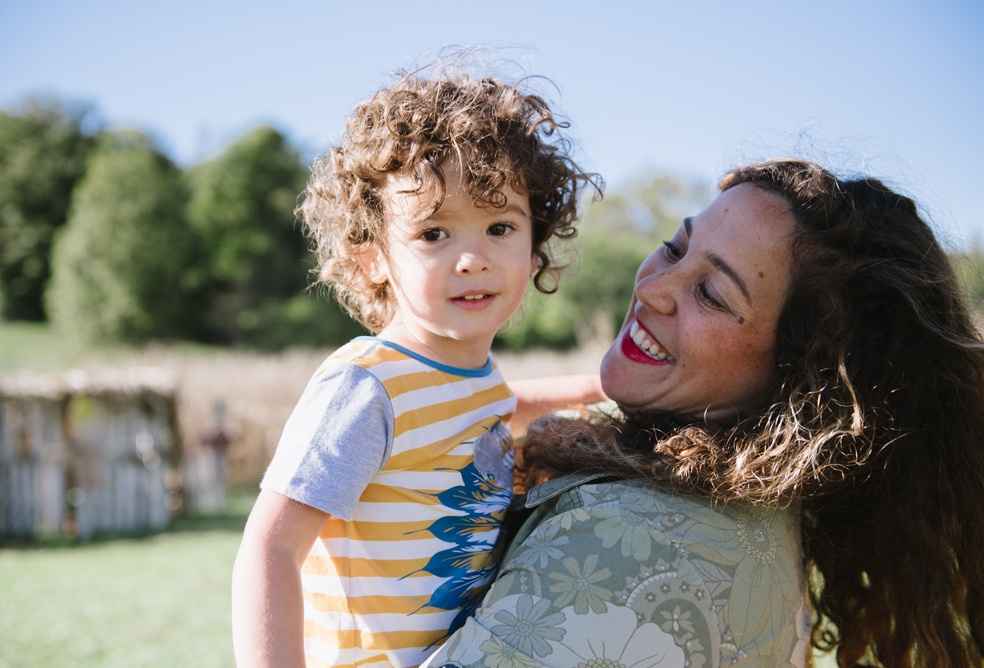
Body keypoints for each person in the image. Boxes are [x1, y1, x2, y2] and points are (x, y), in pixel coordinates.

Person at [424, 158, 984, 668]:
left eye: (712, 294)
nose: (654, 288)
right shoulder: (748, 510)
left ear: (798, 373)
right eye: (674, 247)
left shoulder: (626, 541)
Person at [230, 62, 601, 668]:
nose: (473, 258)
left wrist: (606, 386)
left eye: (500, 226)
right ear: (373, 259)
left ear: (535, 245)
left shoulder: (475, 380)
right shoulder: (366, 387)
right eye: (434, 234)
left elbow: (506, 405)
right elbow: (270, 547)